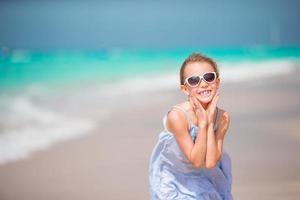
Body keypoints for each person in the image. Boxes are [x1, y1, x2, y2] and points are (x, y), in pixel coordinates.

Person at [149, 53, 233, 200]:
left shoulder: (223, 117)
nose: (203, 84)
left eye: (209, 77)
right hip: (176, 179)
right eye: (193, 80)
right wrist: (202, 124)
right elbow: (197, 161)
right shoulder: (177, 116)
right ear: (185, 89)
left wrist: (210, 121)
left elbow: (211, 162)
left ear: (217, 82)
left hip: (206, 176)